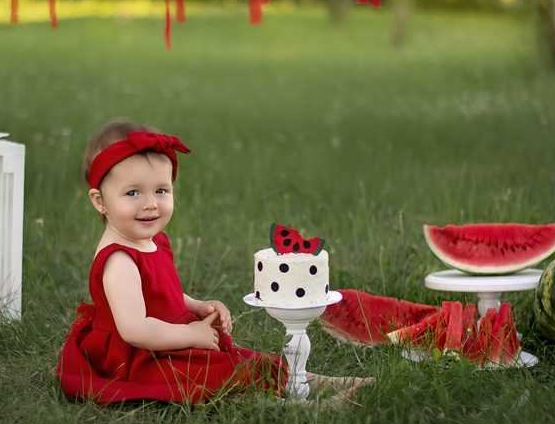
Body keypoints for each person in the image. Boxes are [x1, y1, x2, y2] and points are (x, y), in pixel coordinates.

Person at [56, 119, 368, 405]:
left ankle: (321, 383)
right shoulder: (119, 260)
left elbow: (157, 295)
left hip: (164, 339)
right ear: (100, 201)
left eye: (161, 190)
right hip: (139, 359)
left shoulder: (148, 240)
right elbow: (136, 327)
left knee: (247, 362)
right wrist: (191, 335)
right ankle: (303, 408)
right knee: (216, 378)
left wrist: (195, 305)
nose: (151, 204)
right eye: (133, 192)